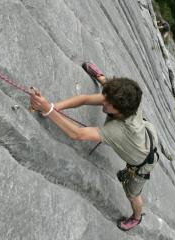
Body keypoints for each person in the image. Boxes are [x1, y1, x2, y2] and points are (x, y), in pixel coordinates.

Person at [30, 62, 159, 231]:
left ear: (119, 109)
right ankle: (101, 78)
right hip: (146, 134)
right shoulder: (129, 100)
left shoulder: (118, 131)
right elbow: (84, 99)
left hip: (143, 163)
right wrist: (55, 107)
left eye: (108, 102)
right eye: (105, 97)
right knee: (110, 92)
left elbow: (77, 134)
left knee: (132, 194)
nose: (103, 103)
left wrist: (47, 110)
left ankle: (136, 217)